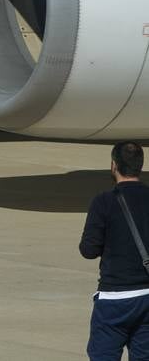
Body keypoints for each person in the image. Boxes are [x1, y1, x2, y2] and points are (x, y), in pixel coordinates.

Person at [82, 141, 149, 360]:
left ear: (114, 166)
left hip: (114, 299)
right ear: (139, 166)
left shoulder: (103, 202)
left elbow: (89, 250)